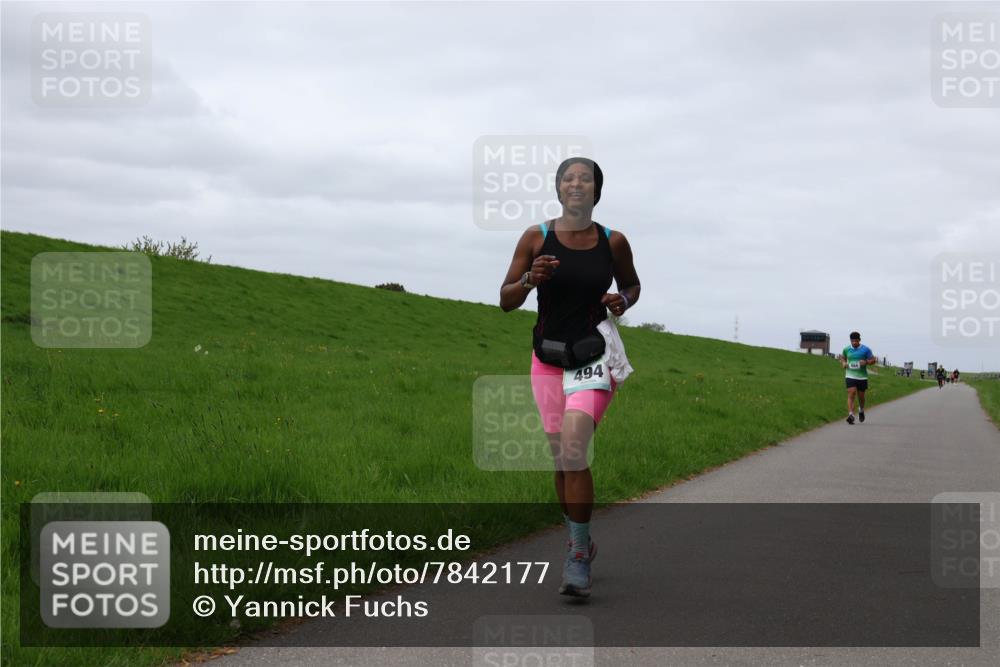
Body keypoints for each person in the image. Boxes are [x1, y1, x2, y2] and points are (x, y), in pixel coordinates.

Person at [499, 157, 640, 598]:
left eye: (586, 179)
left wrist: (623, 301)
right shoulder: (535, 237)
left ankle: (577, 556)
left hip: (592, 357)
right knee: (561, 460)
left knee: (575, 451)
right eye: (569, 178)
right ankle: (580, 540)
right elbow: (505, 299)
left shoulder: (612, 241)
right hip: (548, 358)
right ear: (558, 189)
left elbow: (633, 285)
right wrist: (529, 278)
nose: (577, 184)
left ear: (597, 191)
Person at [838, 331, 875, 424]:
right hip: (850, 375)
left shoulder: (866, 349)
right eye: (852, 341)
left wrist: (866, 362)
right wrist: (843, 362)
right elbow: (842, 357)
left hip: (862, 377)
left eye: (856, 341)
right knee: (852, 393)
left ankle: (861, 410)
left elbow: (873, 360)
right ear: (850, 341)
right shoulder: (846, 349)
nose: (854, 343)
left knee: (861, 397)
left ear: (859, 340)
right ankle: (851, 415)